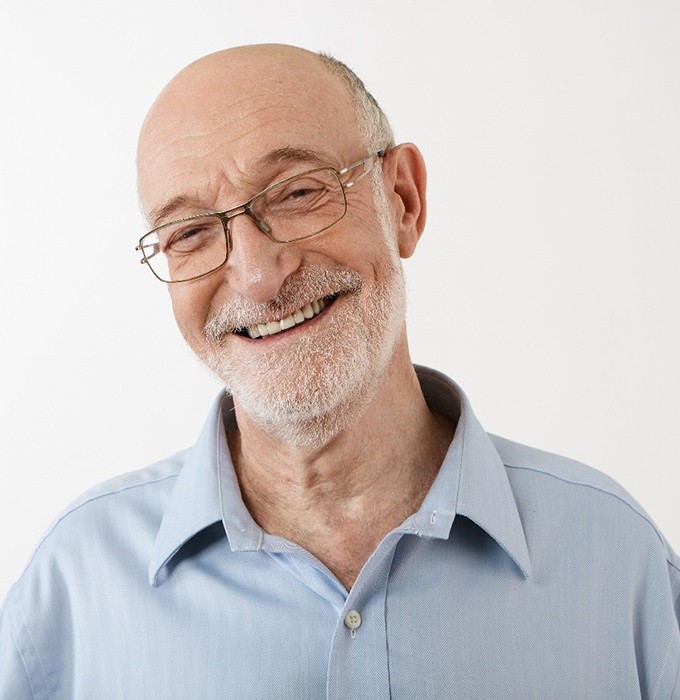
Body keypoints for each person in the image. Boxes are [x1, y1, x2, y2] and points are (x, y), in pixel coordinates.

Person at [1, 43, 678, 700]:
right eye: (189, 233)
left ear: (403, 200)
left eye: (297, 192)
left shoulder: (617, 564)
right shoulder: (76, 584)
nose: (258, 276)